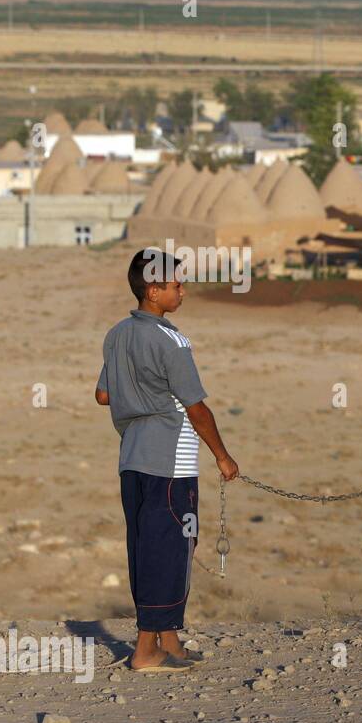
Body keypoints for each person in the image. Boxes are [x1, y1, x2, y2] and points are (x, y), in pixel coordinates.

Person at [95, 248, 239, 672]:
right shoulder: (171, 340)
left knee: (146, 547)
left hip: (132, 459)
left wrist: (137, 396)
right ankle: (144, 651)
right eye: (177, 285)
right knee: (169, 549)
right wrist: (223, 457)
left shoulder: (117, 334)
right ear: (154, 291)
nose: (184, 292)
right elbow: (197, 409)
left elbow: (103, 395)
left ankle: (170, 642)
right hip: (170, 463)